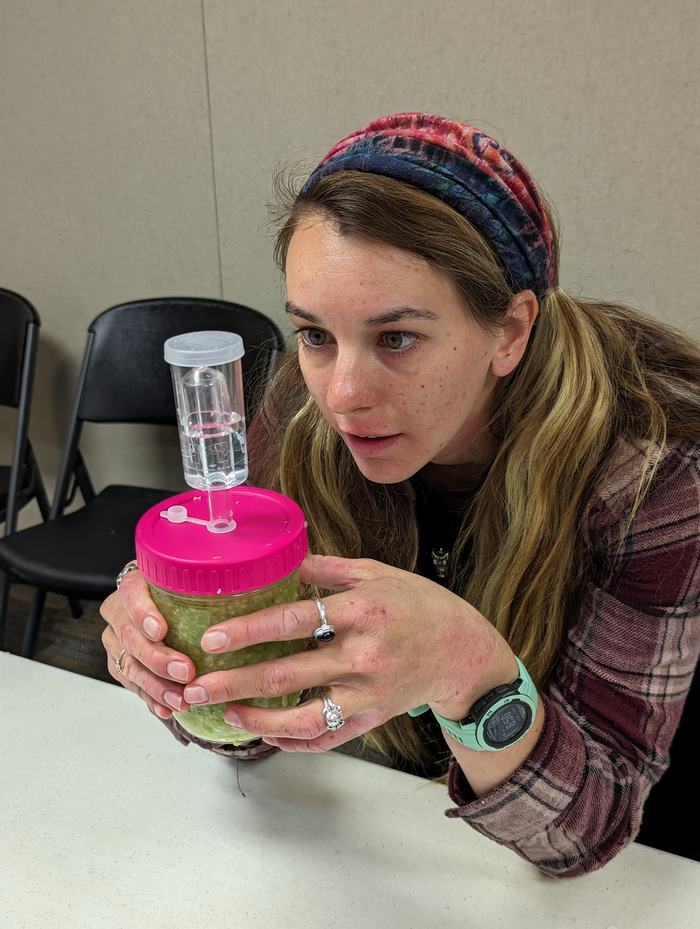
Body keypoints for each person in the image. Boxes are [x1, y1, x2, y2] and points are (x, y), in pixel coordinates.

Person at [101, 113, 700, 877]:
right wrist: (182, 643)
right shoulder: (300, 412)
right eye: (315, 334)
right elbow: (252, 730)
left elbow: (587, 830)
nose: (343, 395)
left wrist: (468, 669)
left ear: (511, 331)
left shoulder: (651, 471)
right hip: (394, 835)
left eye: (397, 338)